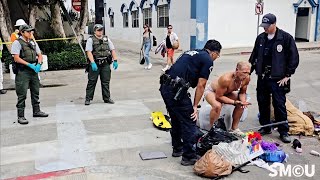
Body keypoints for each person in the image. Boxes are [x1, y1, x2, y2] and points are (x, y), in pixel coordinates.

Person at [160, 39, 222, 166]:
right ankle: (188, 156)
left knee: (176, 118)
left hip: (165, 87)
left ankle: (177, 148)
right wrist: (194, 106)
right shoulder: (207, 59)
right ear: (213, 53)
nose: (216, 58)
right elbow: (201, 84)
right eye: (218, 55)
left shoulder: (192, 52)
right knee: (190, 121)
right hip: (176, 91)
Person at [249, 13, 299, 143]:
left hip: (278, 78)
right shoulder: (260, 38)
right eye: (263, 26)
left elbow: (293, 58)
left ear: (274, 24)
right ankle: (266, 127)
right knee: (262, 102)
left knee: (279, 104)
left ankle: (283, 131)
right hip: (263, 77)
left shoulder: (286, 38)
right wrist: (249, 72)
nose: (264, 29)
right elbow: (254, 56)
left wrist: (288, 75)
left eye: (267, 26)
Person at [11, 25, 48, 125]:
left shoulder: (33, 42)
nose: (30, 33)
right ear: (22, 32)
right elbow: (16, 58)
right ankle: (21, 116)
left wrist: (39, 64)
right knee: (22, 94)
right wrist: (29, 65)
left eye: (31, 32)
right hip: (23, 72)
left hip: (33, 71)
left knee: (35, 91)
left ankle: (36, 111)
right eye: (28, 32)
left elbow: (39, 55)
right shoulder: (17, 43)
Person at [204, 61, 252, 136]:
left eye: (248, 73)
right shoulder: (226, 79)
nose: (246, 75)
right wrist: (234, 102)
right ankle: (212, 130)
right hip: (213, 92)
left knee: (241, 103)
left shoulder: (247, 78)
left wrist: (243, 101)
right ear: (237, 70)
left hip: (227, 93)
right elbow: (219, 97)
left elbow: (242, 93)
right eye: (244, 72)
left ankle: (234, 128)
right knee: (217, 106)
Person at [84, 24, 119, 105]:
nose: (100, 32)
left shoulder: (106, 39)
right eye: (98, 30)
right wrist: (92, 63)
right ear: (95, 31)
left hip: (105, 64)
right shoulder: (91, 40)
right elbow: (89, 52)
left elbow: (112, 50)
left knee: (106, 82)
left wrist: (115, 60)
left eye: (101, 30)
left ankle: (107, 98)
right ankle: (88, 98)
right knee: (92, 81)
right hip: (95, 63)